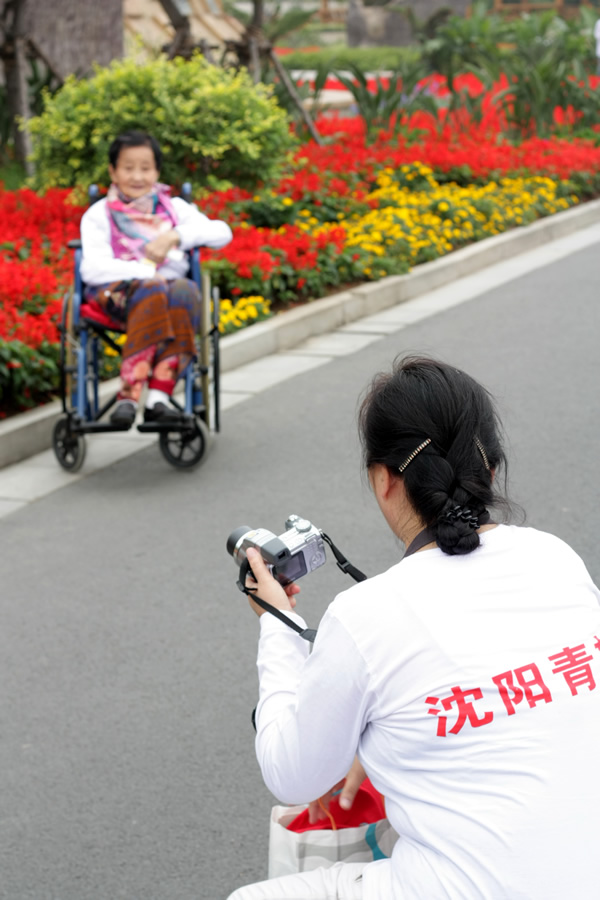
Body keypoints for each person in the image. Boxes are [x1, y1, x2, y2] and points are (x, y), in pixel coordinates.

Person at [228, 356, 600, 900]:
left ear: (383, 479)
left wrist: (279, 628)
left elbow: (292, 776)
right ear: (490, 469)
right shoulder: (556, 558)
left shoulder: (366, 615)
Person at [80, 130, 232, 427]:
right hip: (117, 296)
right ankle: (129, 394)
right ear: (113, 171)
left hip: (171, 295)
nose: (137, 176)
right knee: (153, 287)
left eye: (145, 168)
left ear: (157, 172)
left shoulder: (174, 209)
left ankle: (158, 397)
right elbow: (91, 268)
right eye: (128, 168)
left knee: (186, 289)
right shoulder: (99, 214)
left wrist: (174, 236)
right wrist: (147, 272)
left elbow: (222, 233)